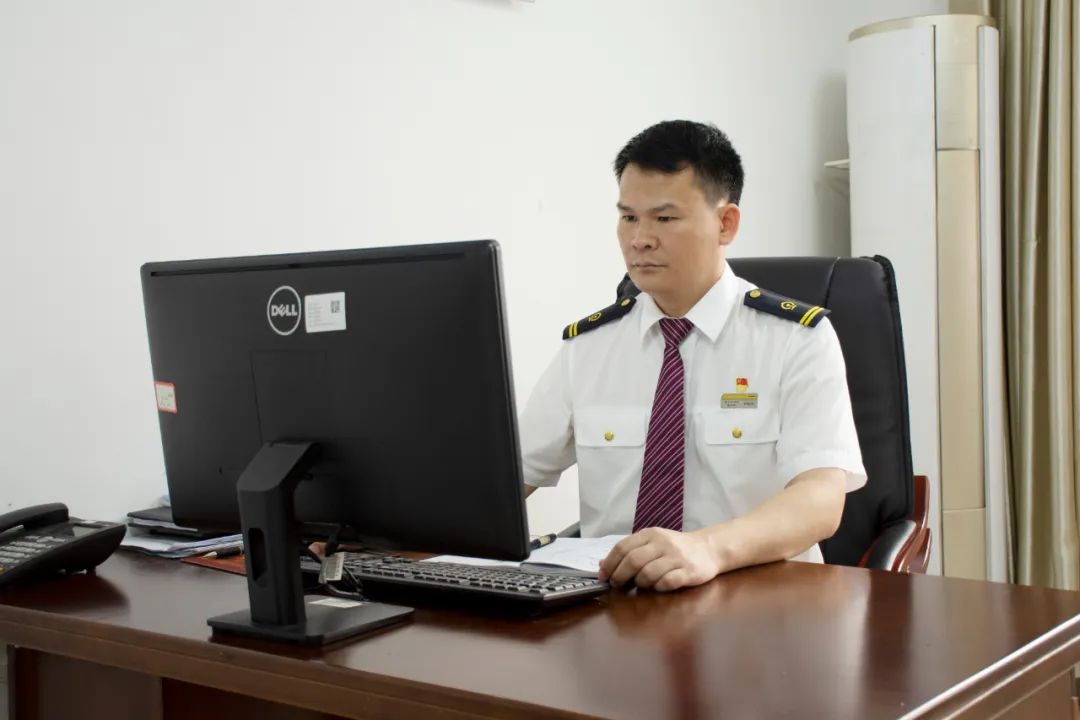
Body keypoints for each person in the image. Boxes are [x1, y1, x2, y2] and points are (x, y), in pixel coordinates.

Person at [519, 120, 866, 592]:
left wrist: (709, 548)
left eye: (664, 219)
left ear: (726, 224)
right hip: (619, 604)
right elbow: (512, 479)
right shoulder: (588, 348)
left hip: (761, 601)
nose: (640, 239)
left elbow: (821, 499)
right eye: (628, 218)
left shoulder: (796, 340)